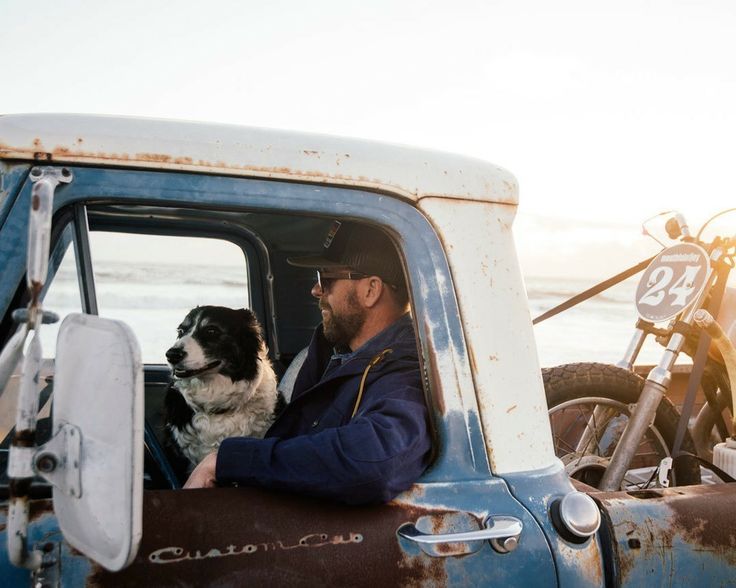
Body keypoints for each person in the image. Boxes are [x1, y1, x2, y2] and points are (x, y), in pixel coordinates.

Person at [184, 221, 431, 504]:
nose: (316, 290)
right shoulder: (334, 354)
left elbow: (378, 460)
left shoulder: (404, 373)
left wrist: (228, 460)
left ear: (371, 290)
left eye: (326, 278)